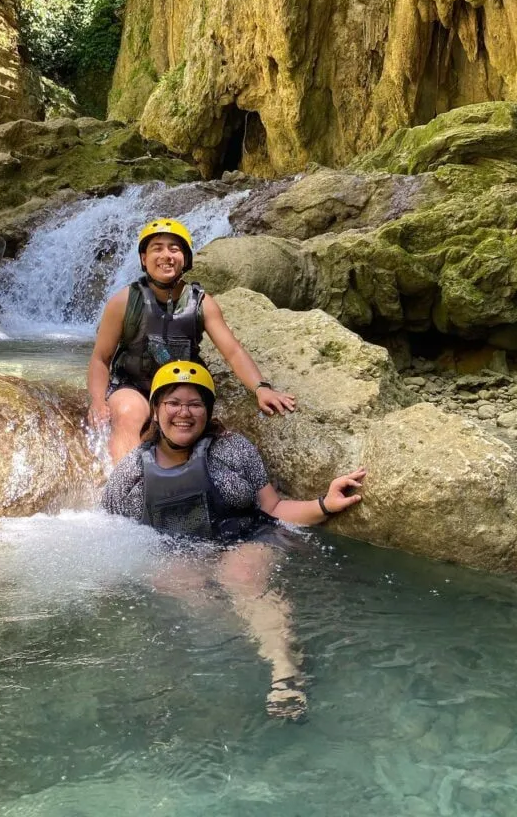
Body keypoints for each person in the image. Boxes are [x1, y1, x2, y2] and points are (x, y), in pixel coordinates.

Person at [101, 360, 365, 720]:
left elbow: (273, 508)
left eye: (195, 404)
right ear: (157, 408)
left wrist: (325, 503)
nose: (184, 412)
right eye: (173, 402)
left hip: (246, 537)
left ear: (207, 411)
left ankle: (284, 671)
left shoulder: (233, 449)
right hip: (182, 551)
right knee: (174, 580)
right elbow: (112, 531)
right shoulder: (131, 471)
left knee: (240, 576)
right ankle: (264, 642)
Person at [88, 217, 296, 462]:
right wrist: (97, 401)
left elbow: (233, 352)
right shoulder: (123, 302)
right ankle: (126, 488)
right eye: (157, 248)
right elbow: (101, 358)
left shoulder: (202, 303)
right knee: (127, 411)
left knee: (189, 422)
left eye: (174, 249)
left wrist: (261, 389)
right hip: (132, 385)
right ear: (144, 259)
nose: (166, 255)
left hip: (181, 386)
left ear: (185, 259)